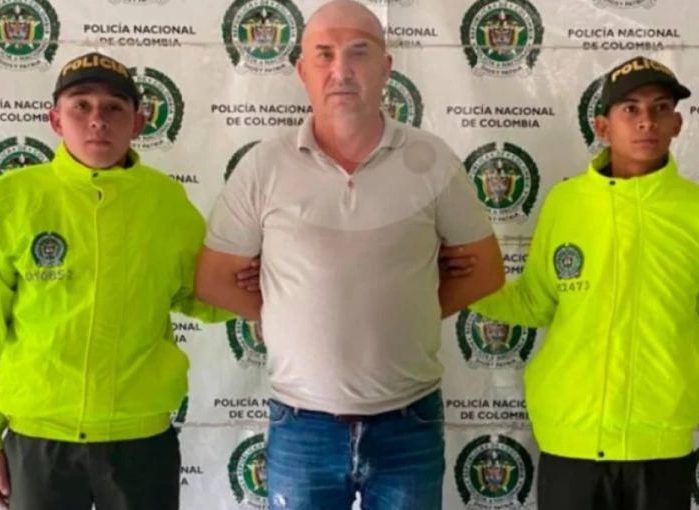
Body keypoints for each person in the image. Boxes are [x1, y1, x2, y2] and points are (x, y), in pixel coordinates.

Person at [193, 1, 505, 509]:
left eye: (359, 52)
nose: (341, 70)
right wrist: (288, 313)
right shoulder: (264, 167)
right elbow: (214, 280)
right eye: (324, 54)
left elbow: (485, 272)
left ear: (386, 67)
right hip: (302, 425)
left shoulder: (432, 161)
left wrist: (404, 310)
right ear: (302, 70)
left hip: (409, 422)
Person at [0, 52, 258, 510]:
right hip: (39, 437)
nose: (97, 119)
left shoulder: (165, 202)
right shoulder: (13, 198)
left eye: (114, 107)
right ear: (55, 120)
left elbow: (200, 292)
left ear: (138, 123)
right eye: (81, 106)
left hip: (139, 441)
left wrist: (258, 284)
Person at [466, 56, 699, 510]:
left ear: (677, 124)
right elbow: (535, 300)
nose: (647, 121)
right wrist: (460, 287)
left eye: (661, 107)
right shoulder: (566, 202)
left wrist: (674, 368)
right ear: (603, 127)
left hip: (660, 444)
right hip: (571, 439)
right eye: (630, 108)